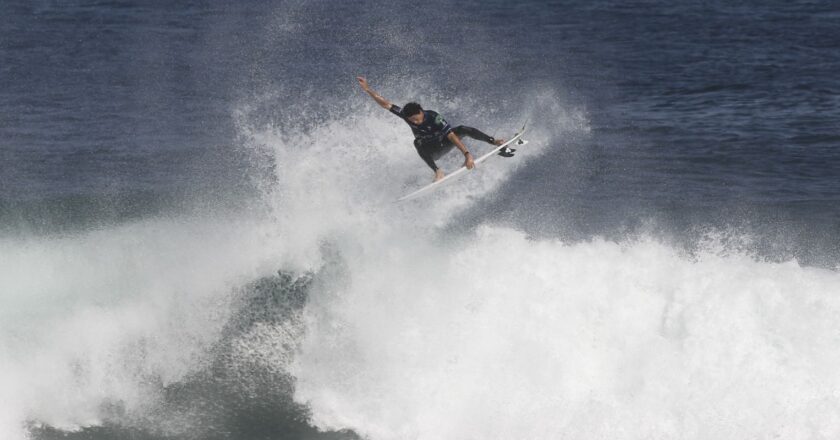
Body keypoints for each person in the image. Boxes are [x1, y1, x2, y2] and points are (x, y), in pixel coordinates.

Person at [357, 76, 505, 182]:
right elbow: (386, 104)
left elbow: (452, 136)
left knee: (463, 129)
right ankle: (437, 171)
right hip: (431, 150)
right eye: (411, 120)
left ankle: (494, 141)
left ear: (421, 112)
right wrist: (367, 89)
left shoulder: (434, 117)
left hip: (444, 143)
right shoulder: (406, 115)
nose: (415, 122)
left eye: (416, 119)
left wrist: (467, 154)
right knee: (417, 142)